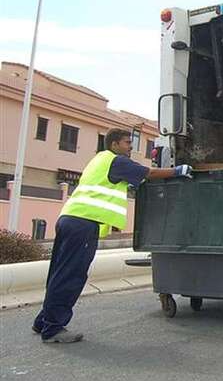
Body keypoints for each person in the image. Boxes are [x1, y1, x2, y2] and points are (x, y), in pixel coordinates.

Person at [32, 128, 192, 343]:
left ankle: (43, 320)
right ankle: (53, 329)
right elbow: (150, 173)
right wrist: (177, 171)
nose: (130, 148)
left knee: (59, 272)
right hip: (83, 223)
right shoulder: (116, 161)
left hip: (69, 218)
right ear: (115, 144)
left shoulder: (100, 160)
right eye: (127, 143)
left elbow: (137, 182)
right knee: (72, 275)